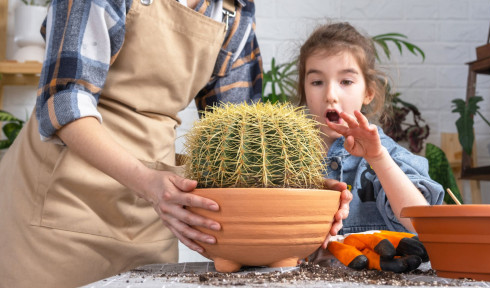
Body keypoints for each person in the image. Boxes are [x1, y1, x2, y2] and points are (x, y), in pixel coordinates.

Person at [0, 1, 351, 287]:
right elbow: (63, 100)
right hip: (59, 201)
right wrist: (148, 184)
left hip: (152, 211)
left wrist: (308, 193)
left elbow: (240, 143)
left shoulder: (234, 11)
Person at [297, 22, 444, 235]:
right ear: (304, 89)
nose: (330, 94)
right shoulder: (285, 156)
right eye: (317, 82)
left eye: (346, 81)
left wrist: (377, 158)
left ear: (368, 93)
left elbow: (420, 224)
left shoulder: (387, 154)